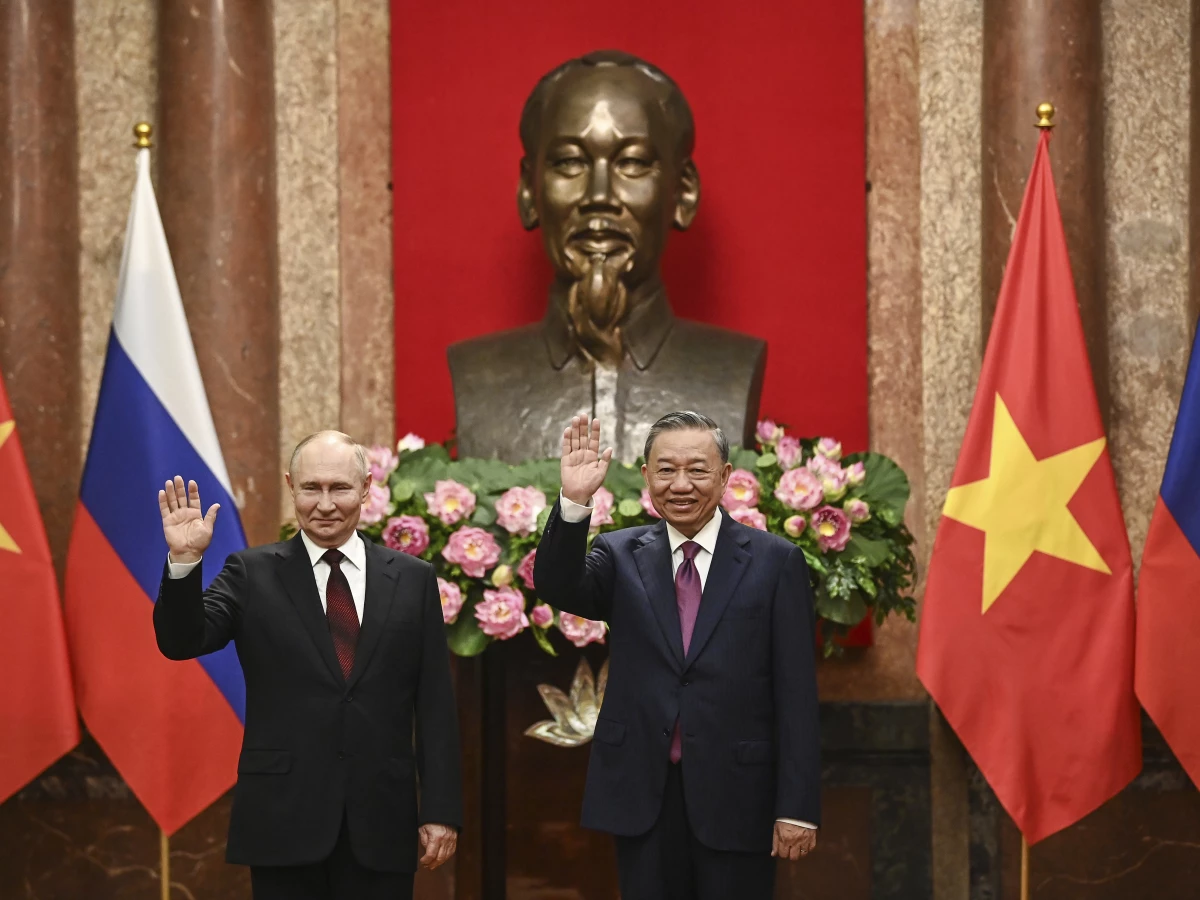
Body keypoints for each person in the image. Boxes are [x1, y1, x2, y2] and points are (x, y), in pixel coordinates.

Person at [153, 431, 461, 900]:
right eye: (311, 488)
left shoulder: (413, 579)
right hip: (283, 821)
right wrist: (183, 561)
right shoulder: (250, 573)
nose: (325, 504)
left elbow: (435, 703)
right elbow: (180, 641)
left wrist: (441, 810)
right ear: (291, 487)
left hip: (381, 822)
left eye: (339, 488)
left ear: (366, 487)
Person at [533, 412, 820, 899]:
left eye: (697, 470)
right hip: (644, 792)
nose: (680, 485)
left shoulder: (775, 562)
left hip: (739, 794)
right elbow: (558, 585)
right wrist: (575, 502)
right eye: (666, 470)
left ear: (725, 476)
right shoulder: (619, 554)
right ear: (646, 476)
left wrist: (797, 807)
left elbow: (796, 693)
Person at [448, 51, 765, 463]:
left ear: (683, 193)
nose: (599, 196)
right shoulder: (479, 374)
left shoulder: (733, 369)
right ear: (529, 191)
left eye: (632, 163)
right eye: (569, 162)